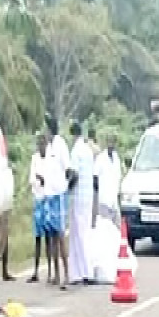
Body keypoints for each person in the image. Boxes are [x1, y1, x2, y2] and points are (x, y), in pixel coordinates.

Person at [44, 115, 71, 290]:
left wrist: (66, 187)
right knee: (51, 236)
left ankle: (67, 274)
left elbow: (68, 169)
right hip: (49, 195)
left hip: (59, 195)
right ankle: (55, 274)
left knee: (60, 236)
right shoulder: (48, 147)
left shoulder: (60, 145)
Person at [68, 120, 96, 285]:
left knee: (78, 235)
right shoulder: (87, 149)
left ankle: (82, 273)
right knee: (84, 233)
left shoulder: (76, 150)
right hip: (88, 196)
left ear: (73, 134)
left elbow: (75, 174)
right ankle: (84, 271)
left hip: (78, 197)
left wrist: (66, 187)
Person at [27, 133, 52, 283]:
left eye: (43, 144)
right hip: (38, 198)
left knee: (49, 237)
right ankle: (36, 271)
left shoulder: (50, 159)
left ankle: (50, 271)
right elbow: (32, 178)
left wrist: (42, 179)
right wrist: (40, 180)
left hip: (48, 199)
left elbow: (51, 178)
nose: (41, 146)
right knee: (37, 237)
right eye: (39, 144)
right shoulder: (35, 159)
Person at [94, 133, 122, 226]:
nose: (111, 144)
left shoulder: (116, 157)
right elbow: (95, 177)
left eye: (112, 142)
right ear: (106, 143)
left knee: (116, 226)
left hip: (114, 198)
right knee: (105, 226)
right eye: (109, 142)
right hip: (104, 199)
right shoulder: (101, 158)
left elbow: (118, 177)